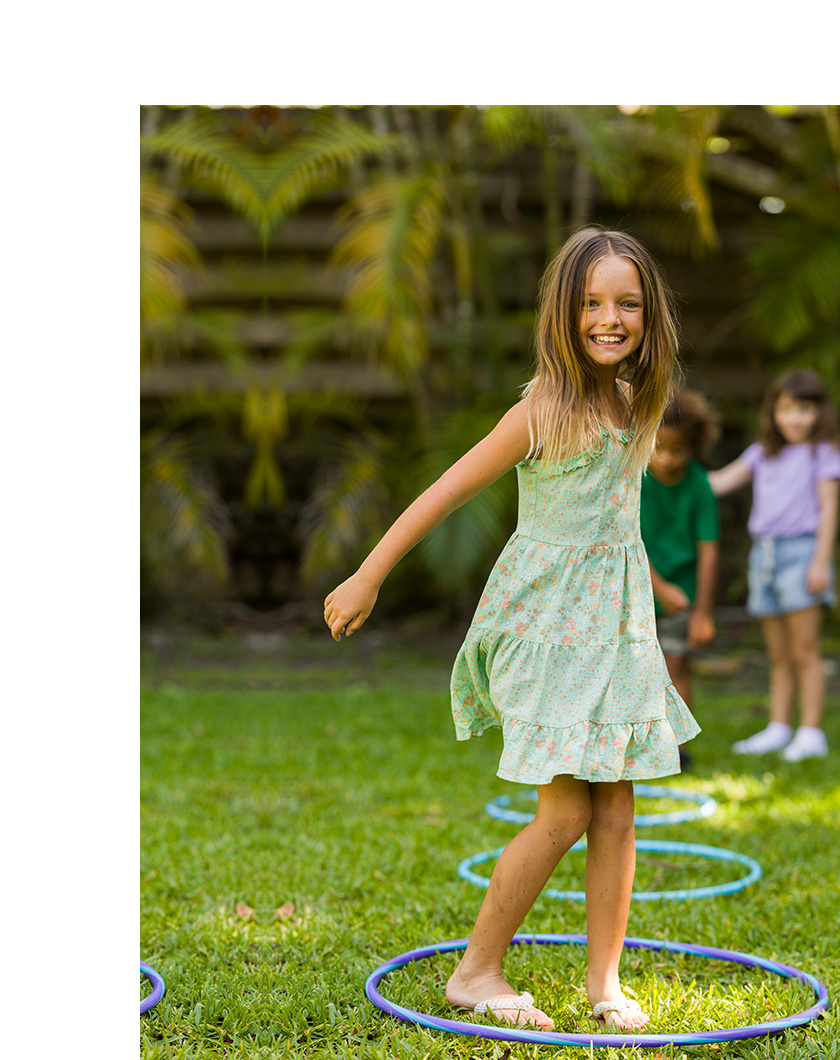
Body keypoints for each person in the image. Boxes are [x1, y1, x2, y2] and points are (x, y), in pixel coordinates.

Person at [324, 227, 699, 1031]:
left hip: (617, 635)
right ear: (563, 315)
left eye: (627, 304)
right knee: (563, 813)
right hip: (549, 629)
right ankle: (476, 971)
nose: (610, 319)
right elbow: (445, 492)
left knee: (617, 812)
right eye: (592, 303)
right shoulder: (541, 409)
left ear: (648, 315)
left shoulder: (635, 402)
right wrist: (369, 573)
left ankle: (606, 986)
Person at [708, 369, 839, 762]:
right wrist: (671, 472)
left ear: (819, 411)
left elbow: (831, 509)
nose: (795, 418)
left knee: (805, 651)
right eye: (786, 409)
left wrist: (820, 562)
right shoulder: (762, 452)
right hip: (763, 556)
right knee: (779, 653)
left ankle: (811, 732)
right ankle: (779, 727)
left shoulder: (824, 452)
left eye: (804, 409)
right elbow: (718, 482)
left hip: (802, 554)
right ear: (773, 412)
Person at [640, 389, 720, 767]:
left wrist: (703, 610)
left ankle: (678, 746)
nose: (666, 459)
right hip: (634, 593)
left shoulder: (699, 486)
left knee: (676, 666)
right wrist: (657, 586)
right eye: (658, 448)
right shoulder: (634, 480)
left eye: (677, 450)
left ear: (693, 447)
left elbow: (708, 549)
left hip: (682, 596)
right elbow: (626, 538)